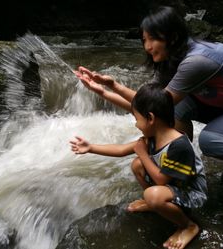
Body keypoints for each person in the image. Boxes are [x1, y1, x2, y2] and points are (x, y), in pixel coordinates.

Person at [74, 6, 223, 184]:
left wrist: (113, 86)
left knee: (211, 142)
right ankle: (181, 162)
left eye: (153, 40)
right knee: (176, 109)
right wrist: (103, 89)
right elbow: (148, 106)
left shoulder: (196, 61)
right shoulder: (172, 61)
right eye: (144, 40)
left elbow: (154, 106)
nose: (147, 47)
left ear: (173, 37)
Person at [70, 83, 207, 249]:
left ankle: (188, 225)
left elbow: (161, 180)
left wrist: (143, 153)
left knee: (152, 192)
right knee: (137, 165)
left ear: (150, 118)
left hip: (190, 192)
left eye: (137, 119)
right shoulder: (154, 136)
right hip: (172, 184)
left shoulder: (179, 146)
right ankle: (154, 204)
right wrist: (91, 147)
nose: (136, 125)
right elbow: (121, 149)